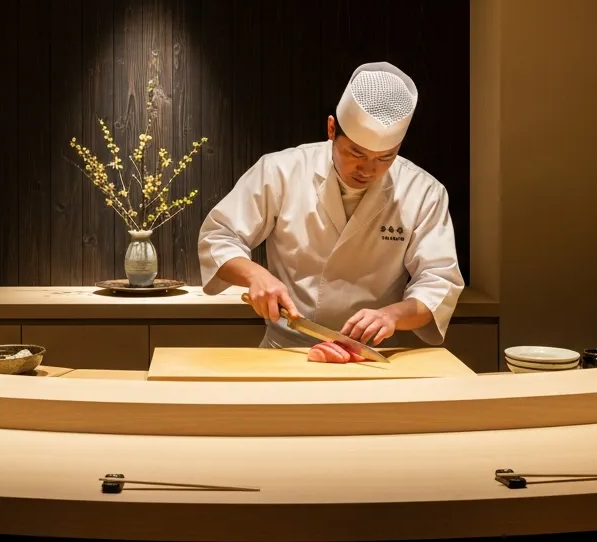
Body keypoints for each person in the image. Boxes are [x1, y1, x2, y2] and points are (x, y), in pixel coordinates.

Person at [197, 61, 464, 349]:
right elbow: (218, 236)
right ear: (331, 128)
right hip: (287, 348)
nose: (368, 170)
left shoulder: (423, 191)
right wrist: (255, 275)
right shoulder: (280, 171)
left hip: (373, 353)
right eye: (356, 153)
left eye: (385, 158)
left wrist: (392, 316)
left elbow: (439, 281)